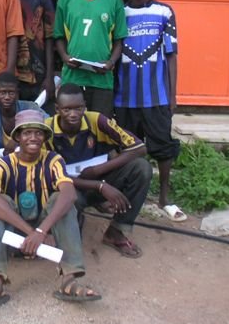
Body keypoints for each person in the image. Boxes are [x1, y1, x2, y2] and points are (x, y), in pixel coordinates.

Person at [0, 110, 101, 306]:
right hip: (19, 236)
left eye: (38, 133)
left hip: (45, 235)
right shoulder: (3, 163)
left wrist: (41, 231)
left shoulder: (54, 160)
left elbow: (70, 193)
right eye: (27, 133)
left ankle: (70, 277)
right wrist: (33, 233)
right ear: (18, 137)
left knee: (60, 200)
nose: (33, 138)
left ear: (45, 137)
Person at [45, 83, 151, 258]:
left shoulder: (96, 120)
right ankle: (68, 236)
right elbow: (49, 176)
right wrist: (98, 186)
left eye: (78, 108)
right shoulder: (46, 130)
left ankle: (116, 231)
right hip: (68, 187)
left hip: (99, 178)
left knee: (142, 168)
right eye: (66, 109)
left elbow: (139, 147)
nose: (73, 114)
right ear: (57, 109)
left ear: (85, 107)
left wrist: (98, 171)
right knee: (70, 198)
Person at [115, 0, 183, 220]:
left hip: (156, 96)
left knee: (163, 146)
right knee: (127, 147)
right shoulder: (119, 12)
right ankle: (127, 195)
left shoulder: (164, 12)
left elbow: (171, 55)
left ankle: (165, 197)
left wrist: (173, 95)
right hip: (124, 98)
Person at [53, 0, 128, 117]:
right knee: (70, 125)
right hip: (73, 76)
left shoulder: (114, 0)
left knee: (100, 127)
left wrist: (111, 62)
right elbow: (58, 35)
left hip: (101, 79)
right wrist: (65, 57)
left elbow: (119, 39)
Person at [0, 0, 56, 113]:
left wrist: (49, 77)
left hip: (36, 74)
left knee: (38, 120)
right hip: (4, 73)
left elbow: (49, 37)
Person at [0, 71, 46, 153]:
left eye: (11, 93)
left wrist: (17, 140)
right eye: (3, 93)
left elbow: (49, 126)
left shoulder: (31, 108)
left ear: (17, 94)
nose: (7, 97)